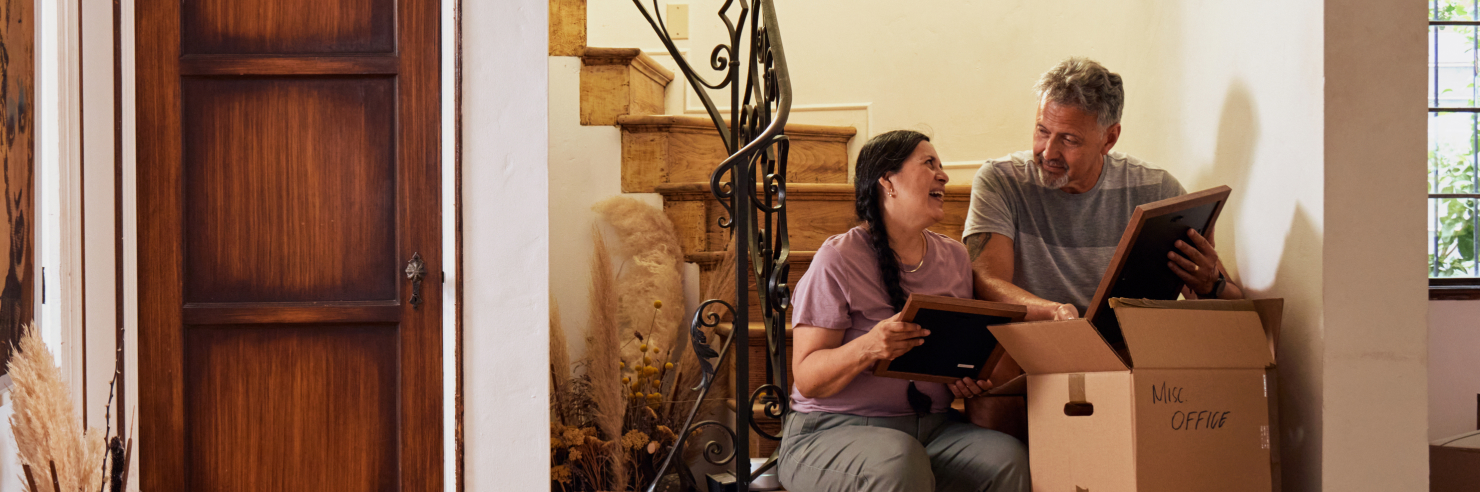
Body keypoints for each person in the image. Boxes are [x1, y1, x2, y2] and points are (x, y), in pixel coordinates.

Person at [777, 130, 1029, 492]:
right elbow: (808, 377)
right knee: (898, 460)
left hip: (933, 428)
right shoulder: (839, 257)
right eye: (929, 164)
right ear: (887, 181)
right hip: (832, 428)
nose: (943, 175)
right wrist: (869, 346)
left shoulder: (955, 257)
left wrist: (966, 377)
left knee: (1005, 458)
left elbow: (952, 350)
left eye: (942, 166)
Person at [963, 57, 1244, 323]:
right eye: (1042, 131)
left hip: (1126, 350)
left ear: (1109, 138)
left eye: (1069, 139)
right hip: (1032, 342)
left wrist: (1212, 284)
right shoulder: (999, 180)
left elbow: (1233, 306)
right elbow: (987, 281)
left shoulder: (1157, 190)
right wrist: (1055, 313)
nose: (1048, 152)